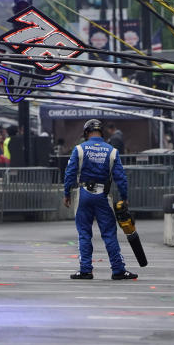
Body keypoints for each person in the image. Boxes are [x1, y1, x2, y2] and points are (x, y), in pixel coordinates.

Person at [63, 119, 137, 281]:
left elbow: (70, 173)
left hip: (83, 194)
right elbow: (121, 178)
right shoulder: (112, 151)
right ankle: (118, 270)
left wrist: (66, 193)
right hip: (103, 195)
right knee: (109, 233)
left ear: (86, 133)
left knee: (84, 233)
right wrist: (124, 197)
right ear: (101, 132)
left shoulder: (79, 149)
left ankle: (85, 270)